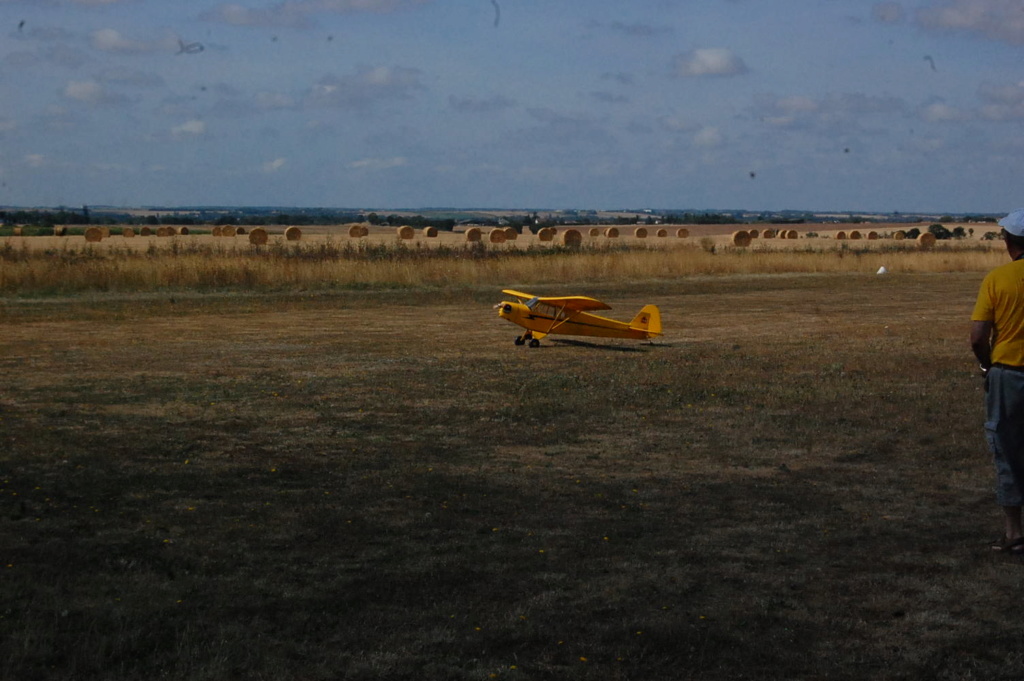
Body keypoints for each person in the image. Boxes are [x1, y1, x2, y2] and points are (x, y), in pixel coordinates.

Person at [971, 208, 1024, 553]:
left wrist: (988, 367)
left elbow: (978, 337)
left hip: (1009, 375)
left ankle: (1014, 534)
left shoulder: (997, 279)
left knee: (1008, 451)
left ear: (1008, 241)